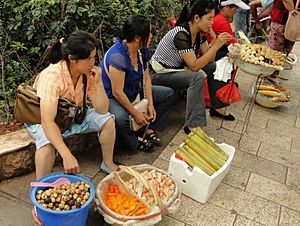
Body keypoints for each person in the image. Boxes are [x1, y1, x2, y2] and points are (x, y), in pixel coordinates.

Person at [26, 31, 118, 179]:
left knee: (108, 120)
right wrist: (66, 155)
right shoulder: (52, 76)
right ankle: (40, 186)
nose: (93, 63)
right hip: (44, 120)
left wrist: (99, 82)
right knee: (47, 146)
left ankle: (108, 163)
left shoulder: (88, 74)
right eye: (89, 58)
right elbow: (47, 121)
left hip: (72, 116)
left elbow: (102, 109)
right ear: (72, 59)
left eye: (94, 57)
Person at [150, 0, 235, 135]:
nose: (212, 23)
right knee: (196, 77)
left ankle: (217, 107)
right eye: (209, 18)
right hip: (157, 74)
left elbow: (209, 59)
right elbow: (194, 66)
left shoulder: (198, 34)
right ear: (197, 18)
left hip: (175, 70)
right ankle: (193, 125)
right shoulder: (181, 34)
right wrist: (217, 46)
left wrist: (213, 40)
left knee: (213, 67)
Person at [101, 15, 175, 153]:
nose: (152, 36)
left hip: (134, 89)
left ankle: (149, 128)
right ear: (137, 38)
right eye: (149, 33)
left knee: (168, 94)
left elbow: (146, 78)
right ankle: (133, 142)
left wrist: (150, 104)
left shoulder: (142, 51)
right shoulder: (118, 57)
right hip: (112, 96)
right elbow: (117, 91)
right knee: (121, 118)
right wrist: (135, 113)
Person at [266, 0, 296, 84]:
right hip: (281, 19)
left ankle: (274, 74)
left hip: (294, 22)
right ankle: (269, 74)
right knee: (275, 50)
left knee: (286, 50)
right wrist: (293, 11)